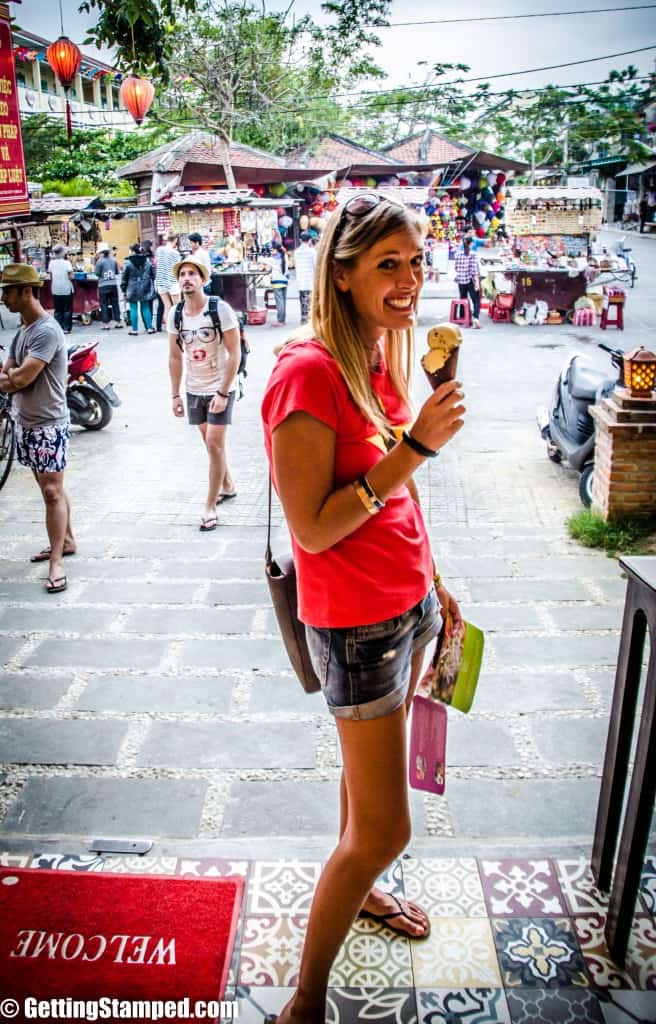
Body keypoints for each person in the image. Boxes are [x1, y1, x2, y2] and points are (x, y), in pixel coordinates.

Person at [261, 194, 465, 1023]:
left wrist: (434, 577)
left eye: (417, 262)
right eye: (389, 264)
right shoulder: (307, 371)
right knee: (386, 828)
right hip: (356, 625)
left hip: (405, 602)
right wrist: (418, 444)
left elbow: (391, 491)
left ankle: (364, 886)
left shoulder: (377, 353)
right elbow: (312, 528)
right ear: (340, 274)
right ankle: (306, 1001)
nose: (410, 280)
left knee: (364, 796)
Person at [0, 264, 76, 594]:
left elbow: (18, 378)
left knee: (51, 491)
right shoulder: (22, 332)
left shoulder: (45, 330)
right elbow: (8, 376)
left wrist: (13, 377)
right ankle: (67, 540)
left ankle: (56, 560)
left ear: (27, 292)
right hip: (26, 422)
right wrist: (12, 377)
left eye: (8, 291)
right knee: (51, 488)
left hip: (48, 423)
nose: (3, 298)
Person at [167, 253, 241, 531]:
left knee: (213, 444)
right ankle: (228, 485)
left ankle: (210, 506)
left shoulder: (219, 309)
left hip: (221, 385)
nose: (186, 279)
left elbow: (234, 354)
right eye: (182, 275)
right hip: (193, 388)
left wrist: (223, 393)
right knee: (210, 443)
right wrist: (175, 394)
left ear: (202, 279)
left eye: (191, 274)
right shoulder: (175, 314)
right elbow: (174, 357)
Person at [121, 244, 156, 335]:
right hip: (145, 286)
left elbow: (124, 277)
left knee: (133, 308)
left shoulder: (128, 262)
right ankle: (149, 328)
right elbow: (153, 274)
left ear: (132, 251)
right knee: (145, 307)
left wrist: (123, 289)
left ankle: (135, 329)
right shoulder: (147, 261)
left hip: (132, 288)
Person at [155, 231, 181, 328]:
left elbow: (158, 263)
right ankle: (178, 326)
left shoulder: (159, 250)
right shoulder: (175, 253)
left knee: (167, 306)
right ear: (175, 240)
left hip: (161, 281)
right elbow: (177, 268)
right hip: (172, 281)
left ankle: (169, 327)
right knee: (177, 306)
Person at [454, 235, 481, 328]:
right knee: (476, 300)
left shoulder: (457, 254)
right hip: (470, 280)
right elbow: (474, 270)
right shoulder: (473, 254)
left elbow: (456, 268)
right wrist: (477, 283)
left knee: (463, 299)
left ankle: (462, 317)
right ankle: (476, 318)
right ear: (471, 244)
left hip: (461, 281)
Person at [94, 244, 123, 330]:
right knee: (115, 303)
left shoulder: (99, 261)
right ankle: (118, 322)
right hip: (113, 284)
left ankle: (106, 324)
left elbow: (97, 273)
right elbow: (117, 272)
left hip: (103, 285)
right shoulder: (114, 260)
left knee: (104, 304)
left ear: (101, 252)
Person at [48, 244, 74, 335]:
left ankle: (58, 329)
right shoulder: (67, 263)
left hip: (55, 289)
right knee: (67, 309)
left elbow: (51, 276)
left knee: (58, 310)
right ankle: (66, 328)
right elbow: (71, 276)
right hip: (66, 288)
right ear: (62, 253)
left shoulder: (51, 263)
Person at [294, 230, 316, 324]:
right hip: (310, 279)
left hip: (301, 278)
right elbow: (316, 265)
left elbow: (295, 265)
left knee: (302, 299)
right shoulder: (312, 251)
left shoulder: (296, 252)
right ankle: (309, 319)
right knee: (310, 300)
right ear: (310, 240)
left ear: (300, 240)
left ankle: (303, 318)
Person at [268, 240, 288, 326]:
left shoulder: (272, 259)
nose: (271, 251)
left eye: (272, 250)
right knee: (283, 301)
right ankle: (282, 320)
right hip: (285, 280)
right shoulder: (285, 257)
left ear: (276, 250)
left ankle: (280, 321)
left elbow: (261, 259)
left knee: (279, 302)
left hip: (277, 282)